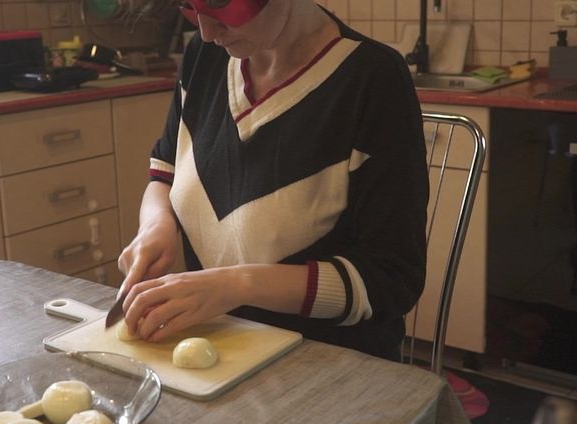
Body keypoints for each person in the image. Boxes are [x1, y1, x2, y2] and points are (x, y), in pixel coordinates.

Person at [117, 0, 428, 361]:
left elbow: (391, 279)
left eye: (219, 4)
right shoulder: (204, 56)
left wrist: (239, 285)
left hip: (329, 364)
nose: (205, 30)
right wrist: (157, 225)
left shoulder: (372, 78)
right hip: (214, 350)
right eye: (187, 6)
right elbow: (165, 172)